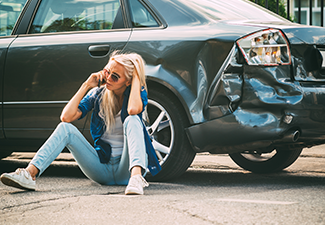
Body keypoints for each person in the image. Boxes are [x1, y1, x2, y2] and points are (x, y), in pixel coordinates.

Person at [0, 51, 161, 195]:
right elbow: (66, 117)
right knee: (65, 128)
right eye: (107, 72)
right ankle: (29, 174)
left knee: (133, 120)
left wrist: (137, 80)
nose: (108, 78)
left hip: (126, 171)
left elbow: (133, 110)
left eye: (115, 76)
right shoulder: (98, 94)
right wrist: (86, 85)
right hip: (101, 169)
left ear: (128, 82)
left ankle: (136, 179)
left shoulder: (138, 94)